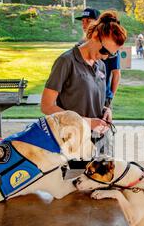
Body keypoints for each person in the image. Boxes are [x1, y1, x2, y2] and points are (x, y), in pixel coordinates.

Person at [41, 10, 127, 157]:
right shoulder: (66, 61)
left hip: (100, 140)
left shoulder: (100, 65)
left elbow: (93, 100)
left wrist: (106, 110)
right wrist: (86, 122)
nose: (106, 57)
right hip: (73, 141)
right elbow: (46, 106)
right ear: (94, 36)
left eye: (111, 54)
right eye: (105, 51)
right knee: (77, 179)